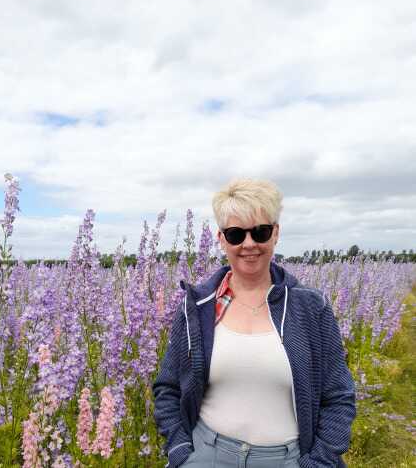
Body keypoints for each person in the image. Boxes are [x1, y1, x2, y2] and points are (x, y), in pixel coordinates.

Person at [153, 178, 356, 467]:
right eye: (236, 234)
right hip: (206, 454)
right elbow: (168, 388)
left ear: (276, 233)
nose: (249, 244)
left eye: (260, 232)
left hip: (286, 459)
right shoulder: (198, 307)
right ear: (221, 239)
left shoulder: (311, 308)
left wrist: (319, 461)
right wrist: (181, 450)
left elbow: (339, 396)